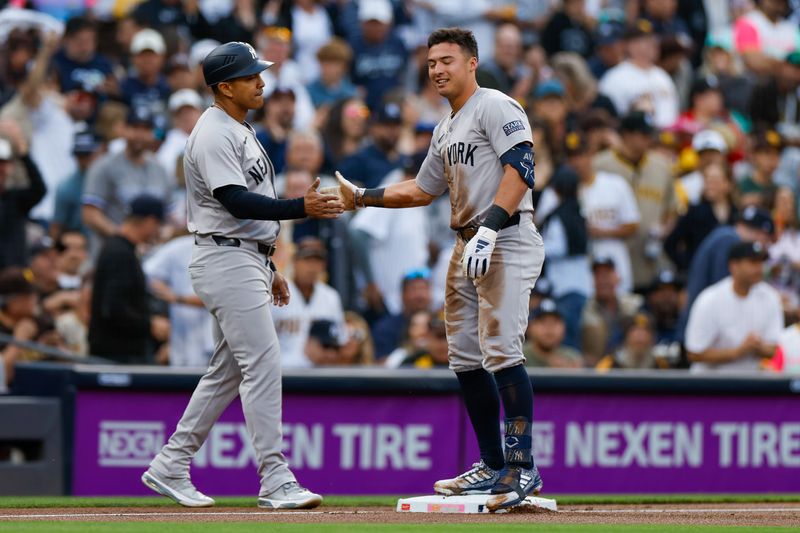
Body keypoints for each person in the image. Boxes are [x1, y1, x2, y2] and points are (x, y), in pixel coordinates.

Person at [328, 28, 544, 511]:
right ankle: (492, 464)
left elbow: (522, 165)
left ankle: (521, 466)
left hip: (504, 236)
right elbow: (424, 189)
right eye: (431, 63)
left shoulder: (496, 105)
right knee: (465, 358)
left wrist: (490, 226)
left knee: (503, 350)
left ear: (472, 62)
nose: (438, 69)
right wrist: (362, 196)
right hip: (466, 241)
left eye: (447, 60)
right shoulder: (446, 125)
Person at [142, 41, 342, 510]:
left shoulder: (239, 128)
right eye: (251, 75)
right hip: (225, 258)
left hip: (241, 257)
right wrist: (300, 208)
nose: (261, 81)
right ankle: (275, 478)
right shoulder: (213, 131)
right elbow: (233, 199)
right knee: (264, 363)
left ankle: (171, 462)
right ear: (224, 86)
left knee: (229, 370)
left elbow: (242, 213)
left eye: (260, 73)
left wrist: (267, 263)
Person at [88, 195, 166, 363]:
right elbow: (113, 308)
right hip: (118, 356)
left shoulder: (121, 249)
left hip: (121, 352)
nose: (158, 231)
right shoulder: (120, 253)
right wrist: (150, 325)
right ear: (151, 221)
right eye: (158, 225)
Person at [685, 241, 784, 372]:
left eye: (761, 262)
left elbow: (773, 350)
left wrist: (757, 346)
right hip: (710, 386)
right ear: (734, 266)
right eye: (753, 262)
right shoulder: (710, 299)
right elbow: (694, 353)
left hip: (750, 385)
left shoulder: (770, 297)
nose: (759, 268)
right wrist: (738, 352)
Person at [271, 237, 345, 368]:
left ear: (324, 265)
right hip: (282, 372)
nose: (312, 267)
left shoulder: (331, 297)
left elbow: (339, 343)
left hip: (319, 375)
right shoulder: (276, 292)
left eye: (317, 261)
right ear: (295, 261)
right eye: (307, 260)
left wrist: (325, 353)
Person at [0, 132, 46, 270]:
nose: (0, 168)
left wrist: (24, 154)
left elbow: (39, 189)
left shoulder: (15, 199)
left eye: (3, 163)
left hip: (15, 275)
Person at [524, 299, 583, 369]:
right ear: (530, 327)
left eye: (555, 322)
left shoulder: (572, 358)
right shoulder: (519, 357)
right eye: (543, 321)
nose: (549, 327)